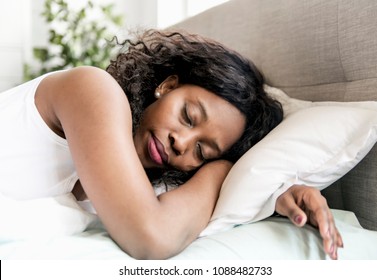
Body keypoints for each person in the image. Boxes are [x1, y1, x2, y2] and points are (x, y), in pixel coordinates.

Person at [0, 29, 342, 259]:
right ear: (167, 85)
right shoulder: (94, 90)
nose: (182, 142)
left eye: (202, 151)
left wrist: (268, 189)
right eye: (188, 116)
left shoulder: (152, 184)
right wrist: (221, 169)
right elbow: (152, 237)